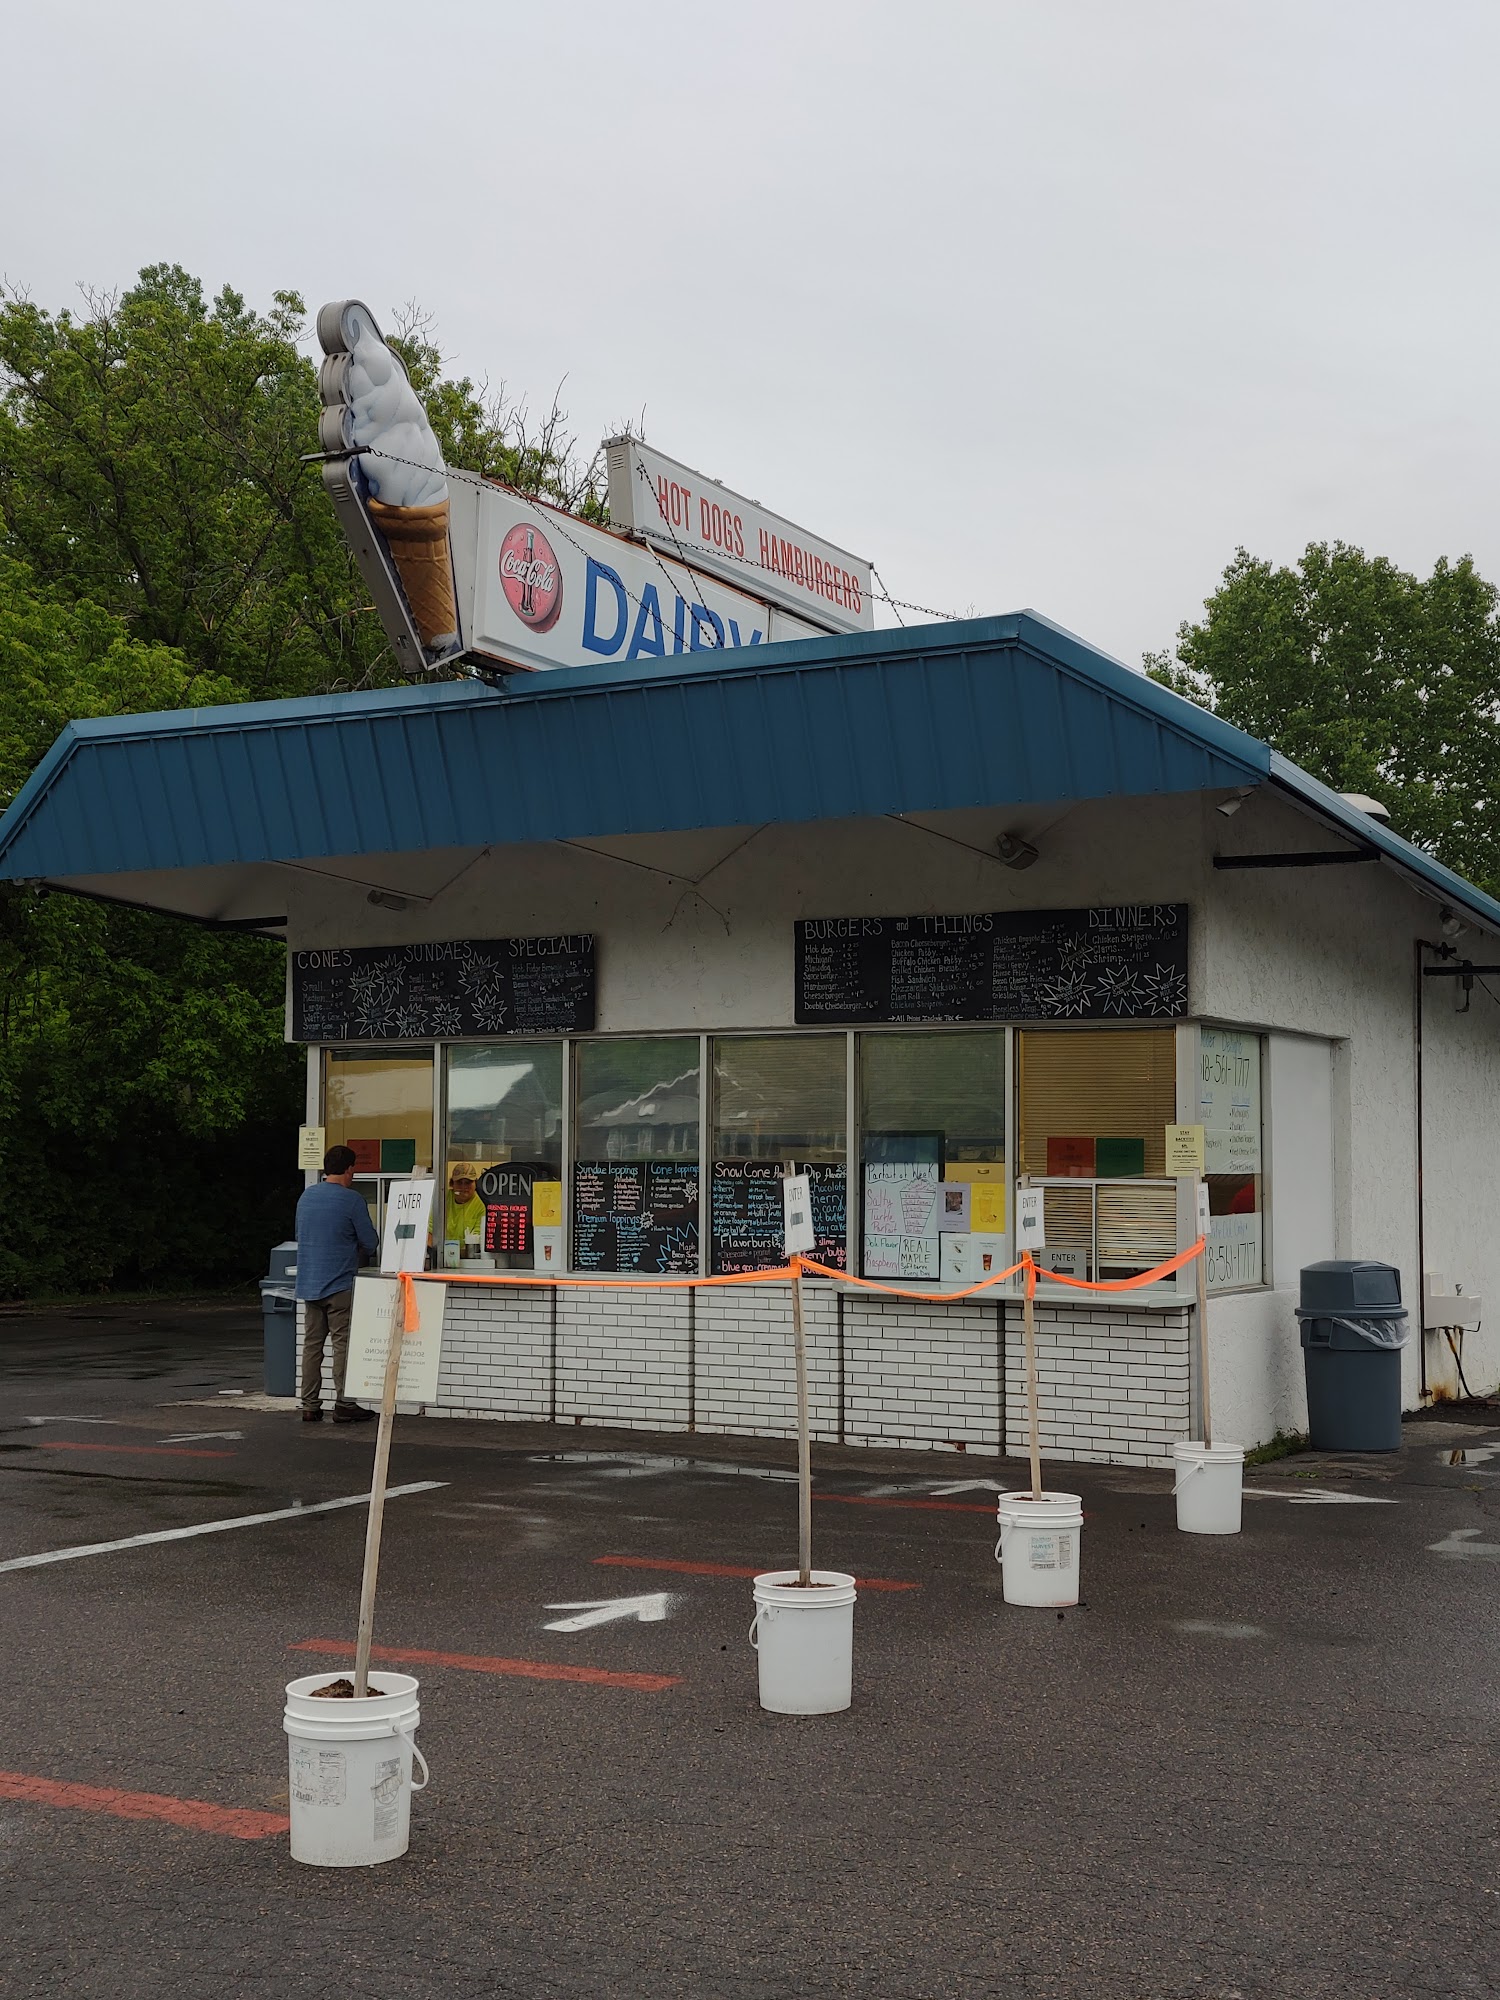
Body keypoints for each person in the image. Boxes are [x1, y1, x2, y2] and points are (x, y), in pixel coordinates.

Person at [294, 1144, 379, 1423]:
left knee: (312, 1346)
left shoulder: (306, 1197)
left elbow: (301, 1234)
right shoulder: (352, 1200)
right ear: (349, 1169)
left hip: (309, 1282)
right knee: (343, 1344)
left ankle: (310, 1404)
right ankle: (344, 1403)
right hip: (339, 1283)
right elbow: (370, 1242)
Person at [444, 1163, 486, 1251]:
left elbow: (477, 1240)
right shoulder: (442, 1199)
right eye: (459, 1182)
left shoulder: (481, 1206)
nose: (463, 1187)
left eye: (468, 1182)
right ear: (452, 1184)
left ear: (476, 1184)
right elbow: (430, 1230)